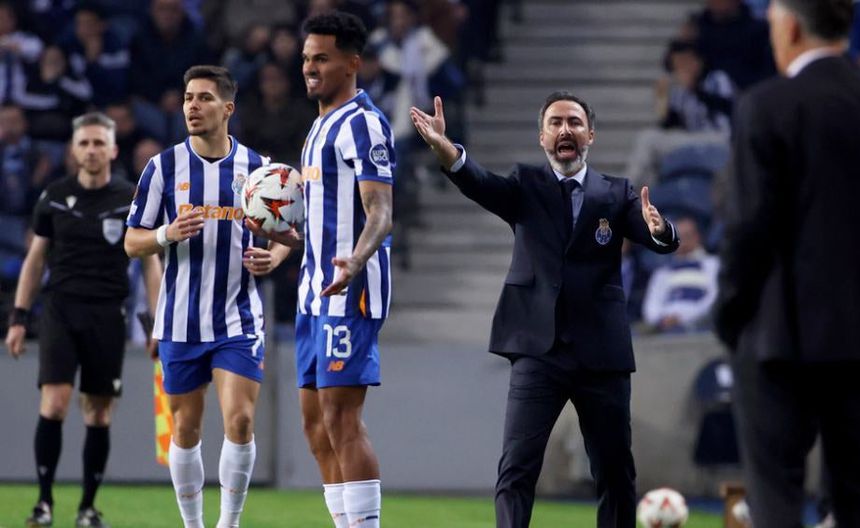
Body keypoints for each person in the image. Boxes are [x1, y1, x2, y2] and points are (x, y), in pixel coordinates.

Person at [410, 92, 679, 527]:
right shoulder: (526, 184)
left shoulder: (617, 192)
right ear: (542, 137)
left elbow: (656, 238)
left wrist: (660, 229)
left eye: (574, 122)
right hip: (538, 348)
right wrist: (447, 150)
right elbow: (480, 183)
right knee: (517, 466)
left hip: (600, 353)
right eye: (555, 123)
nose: (565, 130)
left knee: (615, 470)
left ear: (590, 135)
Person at [124, 65, 291, 528]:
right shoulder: (163, 168)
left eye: (204, 98)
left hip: (238, 317)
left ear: (227, 108)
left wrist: (274, 257)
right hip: (180, 320)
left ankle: (229, 523)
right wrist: (166, 233)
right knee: (185, 428)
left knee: (240, 421)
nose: (192, 107)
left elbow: (288, 232)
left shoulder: (259, 169)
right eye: (188, 98)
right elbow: (132, 242)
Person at [713, 0, 860, 526]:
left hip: (779, 337)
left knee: (775, 498)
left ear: (792, 27)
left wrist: (730, 313)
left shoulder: (768, 105)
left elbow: (750, 228)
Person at [254, 12, 393, 528]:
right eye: (306, 58)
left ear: (352, 63)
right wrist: (282, 248)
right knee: (315, 426)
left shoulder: (363, 124)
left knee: (341, 417)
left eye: (322, 59)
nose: (310, 68)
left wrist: (357, 259)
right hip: (314, 290)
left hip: (350, 290)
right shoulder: (318, 127)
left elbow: (380, 211)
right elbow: (316, 220)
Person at [3, 112, 162, 528]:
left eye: (98, 143)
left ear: (113, 149)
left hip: (108, 313)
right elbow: (35, 260)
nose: (91, 150)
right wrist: (19, 317)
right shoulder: (54, 196)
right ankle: (43, 503)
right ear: (73, 150)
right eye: (84, 143)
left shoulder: (129, 198)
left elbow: (150, 263)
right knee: (54, 403)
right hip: (61, 309)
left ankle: (87, 508)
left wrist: (155, 323)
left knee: (98, 412)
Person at [642, 217, 719, 333]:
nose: (683, 242)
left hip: (699, 328)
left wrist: (683, 318)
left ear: (697, 237)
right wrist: (662, 320)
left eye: (687, 236)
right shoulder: (662, 272)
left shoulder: (713, 264)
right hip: (665, 330)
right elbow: (651, 305)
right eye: (679, 237)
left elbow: (713, 299)